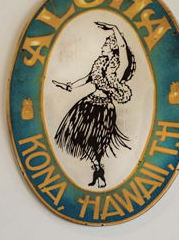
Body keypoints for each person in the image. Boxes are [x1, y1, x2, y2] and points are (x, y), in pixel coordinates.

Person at [52, 19, 137, 188]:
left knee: (97, 143)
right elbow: (87, 79)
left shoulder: (119, 67)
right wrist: (69, 86)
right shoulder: (99, 63)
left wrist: (114, 28)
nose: (103, 46)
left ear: (113, 47)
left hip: (103, 108)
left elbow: (122, 49)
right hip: (87, 104)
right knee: (81, 138)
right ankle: (98, 171)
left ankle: (99, 173)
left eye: (106, 43)